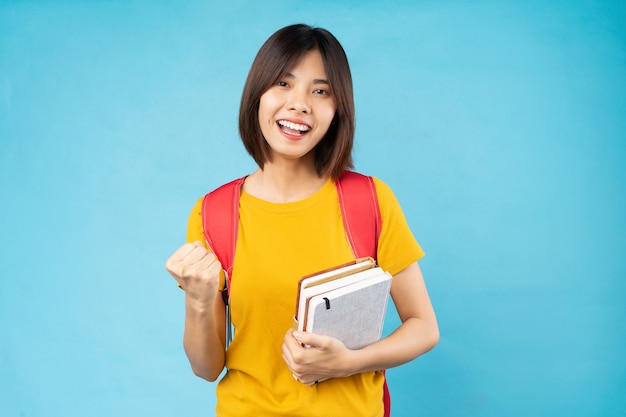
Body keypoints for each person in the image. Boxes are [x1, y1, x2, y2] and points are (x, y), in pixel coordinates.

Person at [165, 23, 439, 417]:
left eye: (320, 90)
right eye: (283, 83)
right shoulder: (212, 213)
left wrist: (348, 362)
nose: (299, 104)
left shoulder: (369, 200)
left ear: (337, 108)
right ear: (257, 95)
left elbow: (424, 326)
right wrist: (198, 299)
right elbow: (206, 368)